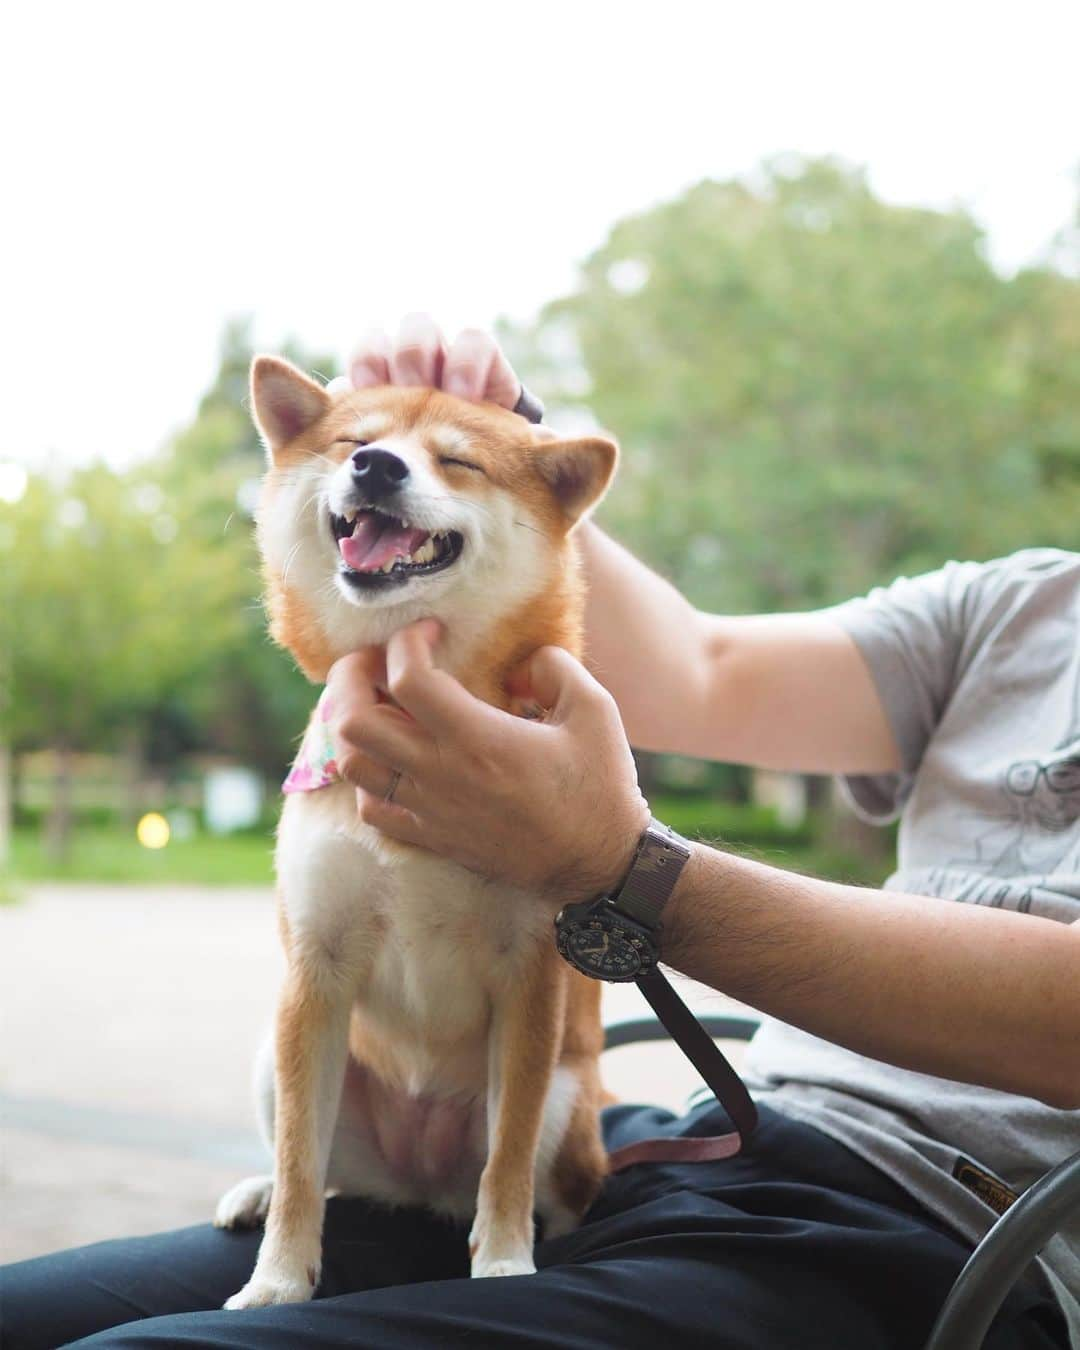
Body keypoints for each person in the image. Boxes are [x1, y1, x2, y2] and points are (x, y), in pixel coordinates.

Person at [2, 317, 1077, 1350]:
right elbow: (702, 671)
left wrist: (625, 872)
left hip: (948, 1238)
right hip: (712, 1145)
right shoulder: (1018, 608)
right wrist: (507, 443)